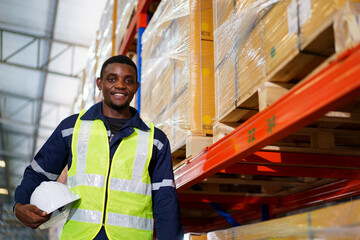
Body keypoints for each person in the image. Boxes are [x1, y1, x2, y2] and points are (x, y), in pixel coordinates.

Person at [14, 55, 184, 240]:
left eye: (128, 80)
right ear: (99, 83)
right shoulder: (72, 128)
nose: (120, 85)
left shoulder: (155, 140)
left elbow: (165, 200)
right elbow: (39, 173)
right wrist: (19, 205)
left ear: (136, 87)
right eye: (112, 79)